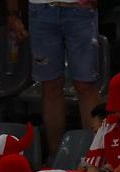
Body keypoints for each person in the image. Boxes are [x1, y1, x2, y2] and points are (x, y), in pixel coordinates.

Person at [13, 0, 99, 155]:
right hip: (41, 9)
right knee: (51, 85)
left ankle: (95, 156)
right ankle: (56, 157)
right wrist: (13, 13)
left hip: (80, 8)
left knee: (85, 85)